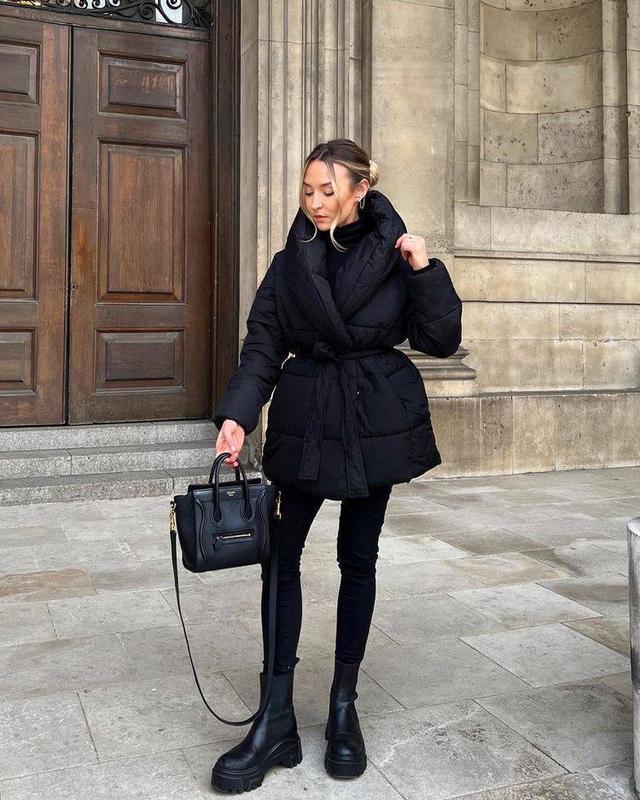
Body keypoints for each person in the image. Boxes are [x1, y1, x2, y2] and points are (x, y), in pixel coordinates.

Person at [210, 139, 463, 793]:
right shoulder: (289, 261)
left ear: (360, 190)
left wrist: (425, 270)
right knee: (279, 556)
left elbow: (442, 339)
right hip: (306, 418)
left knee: (358, 558)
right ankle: (275, 718)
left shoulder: (399, 254)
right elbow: (263, 343)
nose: (315, 203)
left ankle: (344, 707)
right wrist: (238, 415)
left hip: (370, 416)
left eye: (328, 190)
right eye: (307, 191)